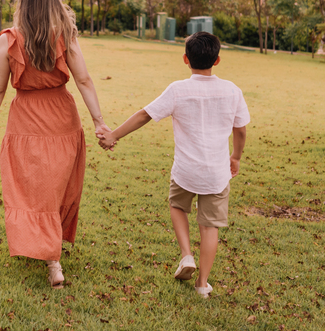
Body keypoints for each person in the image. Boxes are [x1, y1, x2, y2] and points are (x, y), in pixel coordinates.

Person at [98, 31, 249, 297]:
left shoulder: (178, 89)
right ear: (217, 61)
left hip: (186, 171)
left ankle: (186, 254)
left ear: (185, 59)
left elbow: (145, 114)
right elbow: (241, 129)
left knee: (177, 205)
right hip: (217, 173)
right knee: (209, 226)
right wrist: (235, 156)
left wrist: (113, 136)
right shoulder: (232, 90)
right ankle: (202, 284)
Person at [0, 0, 108, 289]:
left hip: (26, 119)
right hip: (62, 118)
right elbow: (84, 81)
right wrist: (98, 121)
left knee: (34, 187)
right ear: (55, 2)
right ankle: (51, 255)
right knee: (53, 187)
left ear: (22, 3)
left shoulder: (9, 39)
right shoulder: (66, 35)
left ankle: (52, 257)